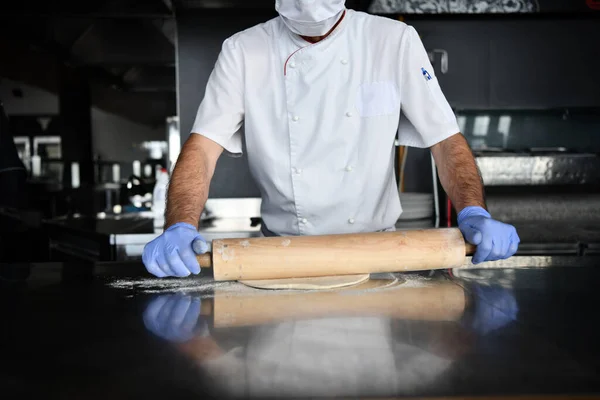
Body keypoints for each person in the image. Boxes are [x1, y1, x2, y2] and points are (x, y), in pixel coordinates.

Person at [143, 0, 520, 278]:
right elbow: (203, 149)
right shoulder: (243, 51)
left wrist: (474, 211)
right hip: (281, 258)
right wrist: (180, 224)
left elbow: (445, 141)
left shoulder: (393, 41)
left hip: (378, 256)